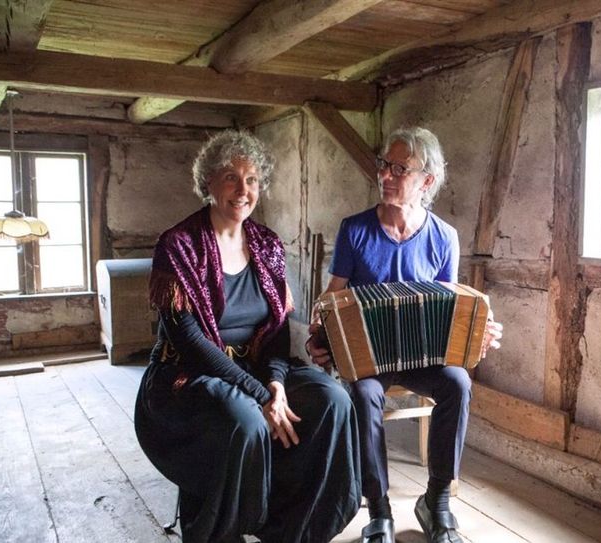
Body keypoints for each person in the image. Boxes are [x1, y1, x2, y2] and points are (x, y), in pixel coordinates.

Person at [134, 130, 360, 543]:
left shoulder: (267, 244)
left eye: (252, 179)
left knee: (334, 400)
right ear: (208, 183)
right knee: (246, 423)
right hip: (188, 373)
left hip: (255, 367)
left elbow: (274, 332)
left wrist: (275, 383)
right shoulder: (178, 245)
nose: (243, 189)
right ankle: (219, 534)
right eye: (230, 177)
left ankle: (295, 531)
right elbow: (191, 343)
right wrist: (260, 396)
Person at [307, 127, 502, 543]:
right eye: (384, 165)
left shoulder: (443, 237)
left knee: (457, 383)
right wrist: (319, 329)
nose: (386, 176)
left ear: (426, 181)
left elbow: (450, 309)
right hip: (368, 357)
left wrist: (477, 333)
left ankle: (436, 501)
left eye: (400, 169)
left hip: (423, 357)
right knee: (363, 393)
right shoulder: (355, 230)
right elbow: (333, 294)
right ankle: (378, 509)